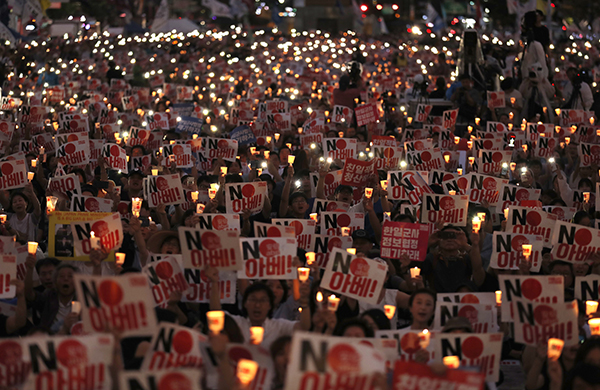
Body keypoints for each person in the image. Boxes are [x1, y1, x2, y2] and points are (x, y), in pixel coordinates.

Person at [207, 267, 312, 349]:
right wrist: (214, 282)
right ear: (245, 303)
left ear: (270, 305)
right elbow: (216, 313)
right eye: (253, 300)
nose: (257, 305)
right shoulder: (237, 324)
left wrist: (304, 302)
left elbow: (303, 326)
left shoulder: (278, 327)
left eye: (263, 300)